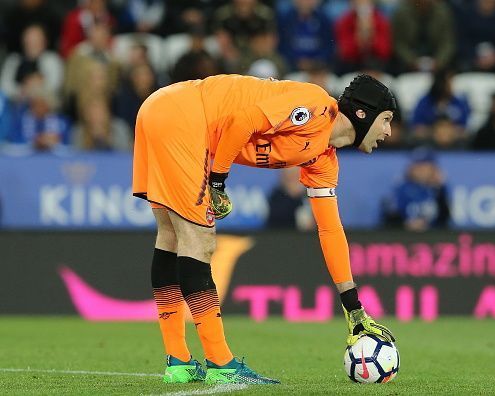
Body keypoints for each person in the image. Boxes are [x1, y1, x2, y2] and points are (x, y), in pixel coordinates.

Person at [132, 73, 398, 384]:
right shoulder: (314, 107)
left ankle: (178, 362)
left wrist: (352, 305)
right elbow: (243, 121)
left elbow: (330, 230)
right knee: (199, 240)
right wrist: (218, 180)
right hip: (184, 114)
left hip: (162, 110)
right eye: (387, 119)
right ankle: (221, 364)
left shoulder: (323, 159)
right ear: (363, 114)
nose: (389, 131)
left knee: (171, 235)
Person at [381, 147, 450, 231]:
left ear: (433, 169)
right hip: (405, 236)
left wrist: (439, 189)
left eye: (423, 166)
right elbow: (390, 216)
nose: (419, 170)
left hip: (433, 237)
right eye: (416, 165)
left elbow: (445, 220)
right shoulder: (402, 188)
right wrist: (406, 223)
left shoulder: (438, 190)